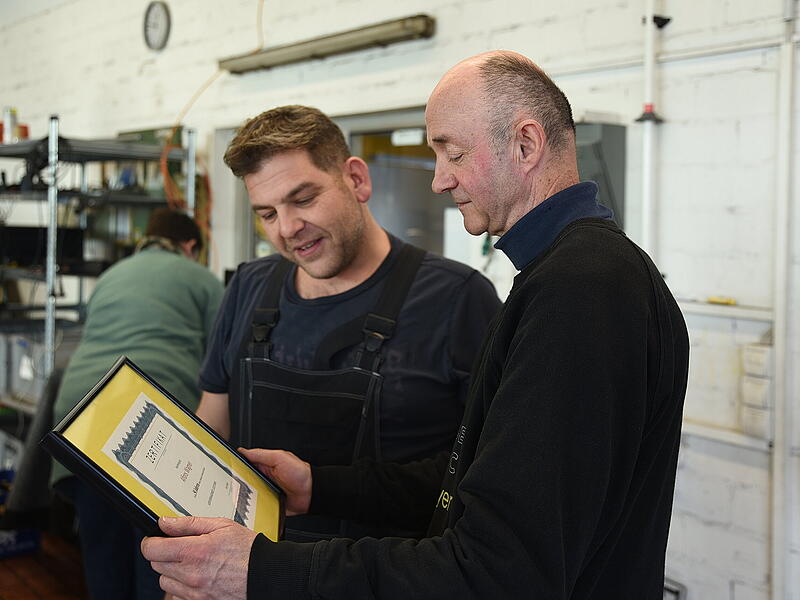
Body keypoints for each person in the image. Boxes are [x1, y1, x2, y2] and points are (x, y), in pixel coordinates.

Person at [141, 51, 690, 599]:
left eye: (452, 152)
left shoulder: (580, 288)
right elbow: (467, 483)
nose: (439, 180)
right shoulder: (566, 275)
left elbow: (499, 569)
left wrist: (260, 572)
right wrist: (319, 485)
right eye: (266, 213)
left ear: (525, 144)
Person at [193, 105, 501, 542]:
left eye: (303, 199)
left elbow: (482, 471)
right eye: (267, 214)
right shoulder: (249, 287)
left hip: (390, 580)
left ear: (356, 179)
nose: (288, 228)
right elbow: (211, 432)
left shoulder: (457, 299)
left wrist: (323, 488)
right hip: (250, 574)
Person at [51, 208, 224, 600]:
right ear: (191, 246)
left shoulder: (110, 276)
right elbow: (223, 356)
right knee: (160, 555)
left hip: (80, 414)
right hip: (150, 417)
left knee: (102, 547)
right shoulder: (202, 279)